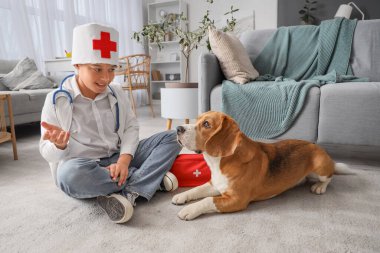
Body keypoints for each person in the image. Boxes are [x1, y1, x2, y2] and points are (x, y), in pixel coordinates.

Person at [39, 23, 182, 223]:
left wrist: (123, 160)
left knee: (175, 136)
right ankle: (148, 181)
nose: (105, 78)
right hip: (86, 165)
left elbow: (131, 127)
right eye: (97, 69)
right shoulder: (56, 100)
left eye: (111, 69)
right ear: (77, 65)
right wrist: (58, 145)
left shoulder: (117, 91)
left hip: (120, 154)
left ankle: (130, 188)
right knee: (68, 176)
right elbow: (46, 152)